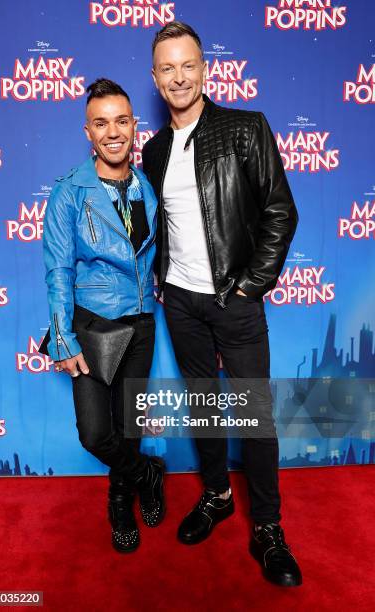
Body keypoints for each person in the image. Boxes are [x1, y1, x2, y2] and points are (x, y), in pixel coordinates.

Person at [142, 22, 302, 586]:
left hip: (235, 302)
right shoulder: (155, 149)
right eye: (167, 68)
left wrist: (247, 288)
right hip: (181, 303)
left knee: (256, 419)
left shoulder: (244, 128)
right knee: (204, 409)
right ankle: (216, 495)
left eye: (188, 65)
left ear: (205, 69)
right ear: (156, 80)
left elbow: (281, 212)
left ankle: (268, 528)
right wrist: (164, 281)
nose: (179, 76)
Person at [42, 78, 165, 553]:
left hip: (142, 323)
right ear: (87, 132)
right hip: (92, 324)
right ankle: (148, 474)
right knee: (96, 433)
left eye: (121, 121)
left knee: (129, 428)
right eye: (101, 123)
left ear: (134, 126)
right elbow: (57, 270)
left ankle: (120, 500)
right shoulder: (69, 193)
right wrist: (63, 338)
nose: (113, 132)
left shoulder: (146, 186)